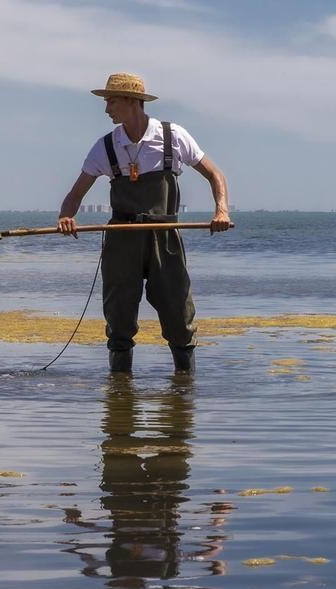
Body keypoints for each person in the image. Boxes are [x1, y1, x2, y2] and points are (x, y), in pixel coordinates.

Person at [56, 73, 232, 374]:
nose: (106, 108)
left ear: (131, 102)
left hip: (165, 237)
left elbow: (216, 175)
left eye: (111, 101)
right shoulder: (106, 147)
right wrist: (66, 218)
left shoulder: (172, 136)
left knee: (179, 313)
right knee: (119, 318)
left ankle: (183, 395)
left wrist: (221, 211)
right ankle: (120, 400)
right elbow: (75, 194)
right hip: (121, 239)